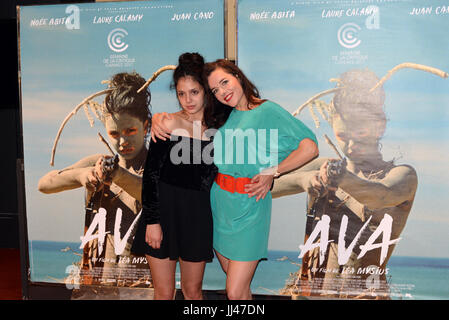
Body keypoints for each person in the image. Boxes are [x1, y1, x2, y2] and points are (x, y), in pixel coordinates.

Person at [272, 69, 418, 299]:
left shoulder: (403, 175)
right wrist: (303, 179)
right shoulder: (321, 166)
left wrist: (341, 178)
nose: (350, 146)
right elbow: (264, 187)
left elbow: (379, 195)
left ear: (380, 126)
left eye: (359, 133)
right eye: (342, 136)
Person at [38, 72, 151, 287]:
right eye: (115, 134)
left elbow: (153, 194)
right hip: (99, 283)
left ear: (146, 127)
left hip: (142, 285)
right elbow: (45, 184)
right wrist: (82, 175)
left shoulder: (157, 166)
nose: (123, 141)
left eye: (131, 130)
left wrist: (117, 175)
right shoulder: (98, 162)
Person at [131, 53, 223, 300]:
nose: (187, 100)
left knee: (193, 292)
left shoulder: (220, 127)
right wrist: (152, 221)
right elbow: (150, 177)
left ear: (205, 90)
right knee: (164, 292)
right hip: (163, 215)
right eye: (181, 94)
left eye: (194, 92)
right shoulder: (168, 124)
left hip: (197, 217)